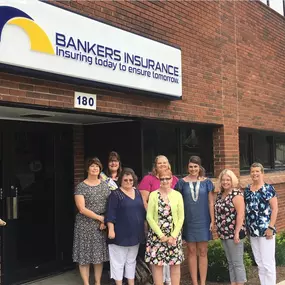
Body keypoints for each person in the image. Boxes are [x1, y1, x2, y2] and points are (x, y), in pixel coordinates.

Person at [174, 156, 215, 285]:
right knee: (191, 251)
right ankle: (194, 282)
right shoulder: (181, 183)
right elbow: (177, 203)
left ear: (199, 167)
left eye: (195, 166)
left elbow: (210, 202)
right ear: (188, 167)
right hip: (189, 220)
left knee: (203, 252)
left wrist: (212, 220)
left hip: (203, 220)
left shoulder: (207, 182)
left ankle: (202, 282)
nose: (193, 169)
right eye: (191, 166)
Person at [139, 155, 179, 285]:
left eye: (165, 163)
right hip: (156, 228)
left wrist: (174, 233)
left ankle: (168, 281)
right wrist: (156, 226)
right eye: (159, 163)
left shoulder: (176, 182)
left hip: (173, 232)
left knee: (173, 262)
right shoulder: (148, 180)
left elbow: (180, 212)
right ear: (155, 166)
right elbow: (145, 203)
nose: (162, 165)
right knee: (158, 263)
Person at [73, 157, 111, 285]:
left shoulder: (105, 186)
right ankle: (86, 283)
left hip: (100, 225)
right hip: (84, 224)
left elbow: (109, 205)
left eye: (97, 166)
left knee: (98, 256)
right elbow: (82, 209)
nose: (95, 168)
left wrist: (103, 221)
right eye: (92, 166)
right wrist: (99, 218)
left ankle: (97, 282)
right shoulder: (81, 186)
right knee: (84, 256)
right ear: (87, 168)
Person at [106, 168, 146, 285]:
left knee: (131, 261)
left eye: (130, 180)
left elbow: (142, 212)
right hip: (119, 235)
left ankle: (131, 283)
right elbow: (110, 213)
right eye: (125, 180)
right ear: (121, 181)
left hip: (135, 234)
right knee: (118, 263)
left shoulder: (138, 193)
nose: (128, 182)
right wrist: (111, 229)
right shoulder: (115, 194)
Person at [145, 169, 184, 285]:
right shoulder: (153, 195)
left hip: (174, 236)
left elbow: (181, 217)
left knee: (175, 264)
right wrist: (160, 235)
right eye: (162, 179)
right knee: (157, 265)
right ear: (159, 180)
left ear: (172, 179)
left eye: (167, 178)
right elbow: (149, 217)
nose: (165, 181)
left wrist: (173, 236)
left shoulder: (177, 195)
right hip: (157, 236)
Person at [244, 162, 278, 285]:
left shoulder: (269, 189)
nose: (255, 174)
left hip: (266, 231)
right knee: (259, 263)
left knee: (268, 263)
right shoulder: (247, 190)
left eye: (257, 171)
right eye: (252, 171)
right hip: (253, 231)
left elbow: (275, 209)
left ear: (262, 173)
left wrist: (270, 227)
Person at [214, 169, 247, 285]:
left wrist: (237, 232)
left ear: (232, 181)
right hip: (223, 233)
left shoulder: (236, 194)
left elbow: (240, 214)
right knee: (231, 262)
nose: (225, 182)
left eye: (228, 179)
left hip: (234, 234)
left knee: (237, 262)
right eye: (223, 179)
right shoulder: (220, 194)